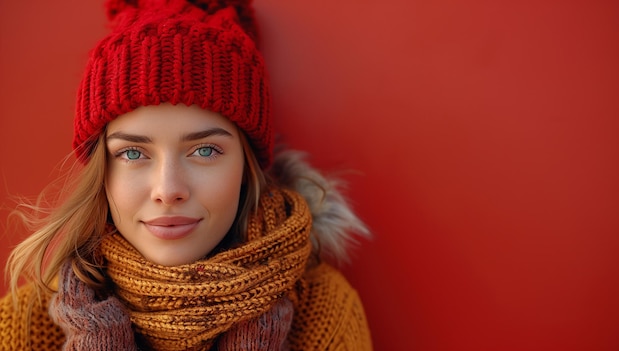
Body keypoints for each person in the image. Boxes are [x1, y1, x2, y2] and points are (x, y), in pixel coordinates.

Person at [0, 0, 372, 350]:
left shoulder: (324, 312)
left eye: (205, 151)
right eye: (133, 153)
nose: (168, 190)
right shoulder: (25, 324)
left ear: (247, 166)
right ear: (102, 173)